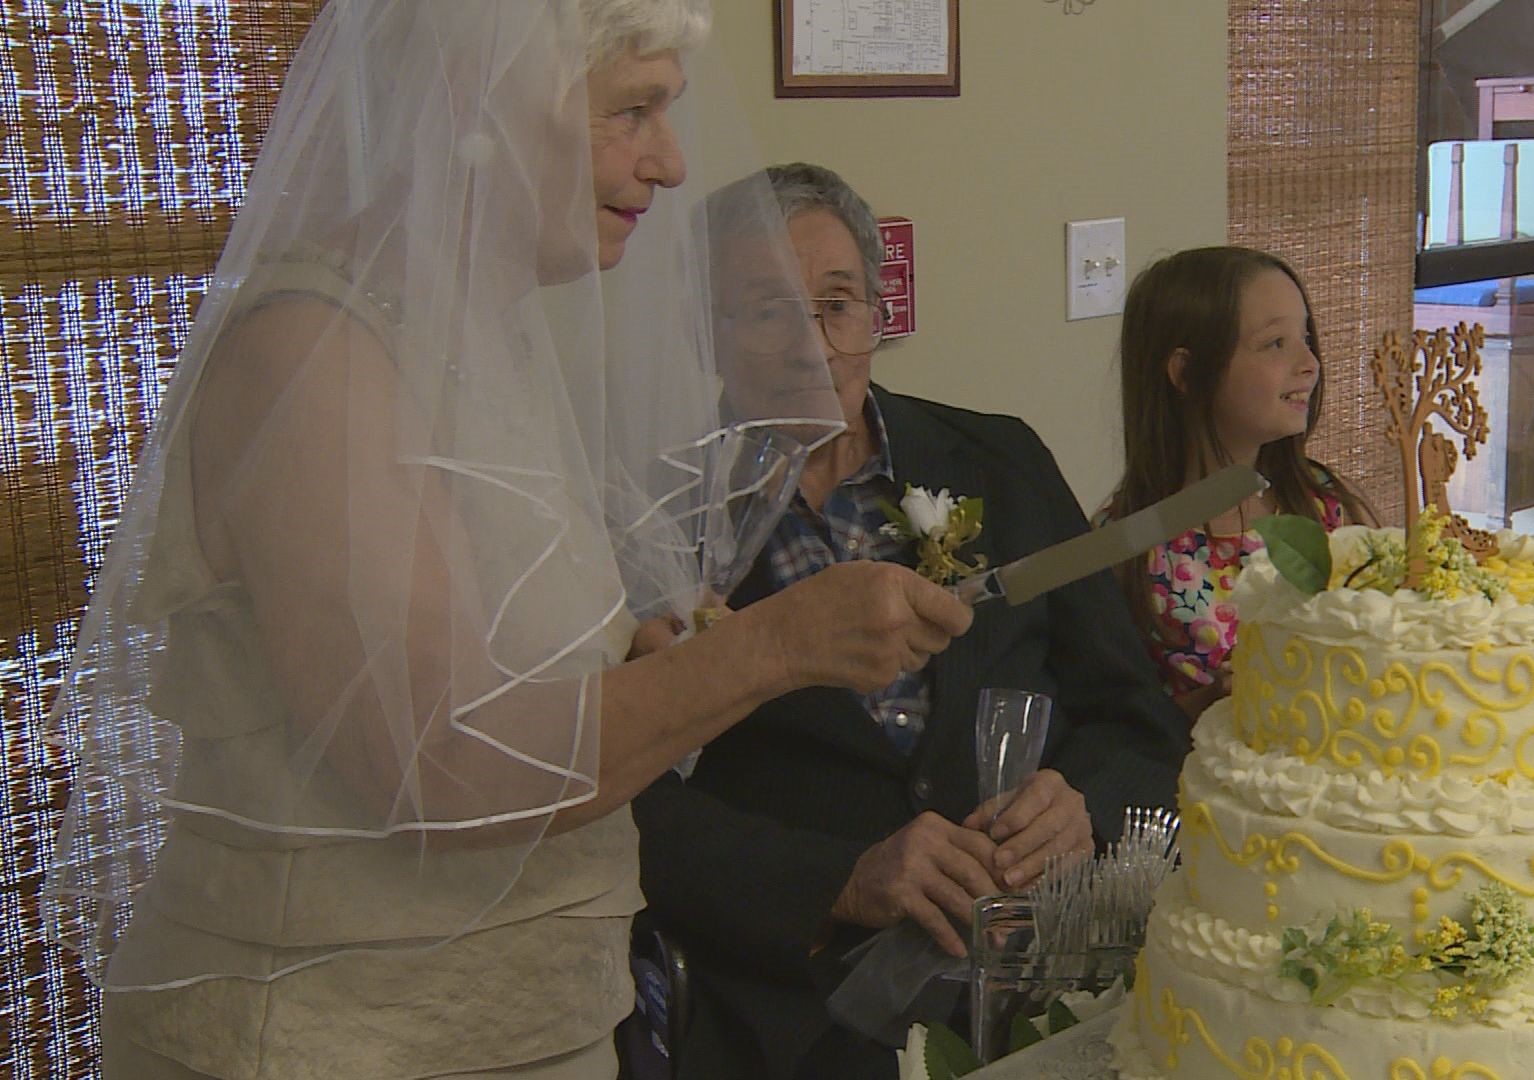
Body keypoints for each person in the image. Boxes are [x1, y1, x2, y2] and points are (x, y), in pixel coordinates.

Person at [44, 6, 971, 1079]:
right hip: (332, 1039)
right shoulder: (311, 357)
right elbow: (442, 762)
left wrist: (631, 657)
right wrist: (769, 647)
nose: (670, 163)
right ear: (470, 98)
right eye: (633, 110)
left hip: (527, 1024)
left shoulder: (483, 335)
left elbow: (496, 655)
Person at [628, 163, 1189, 1080]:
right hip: (800, 1014)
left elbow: (1141, 721)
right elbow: (628, 807)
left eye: (838, 303)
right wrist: (840, 881)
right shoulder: (658, 519)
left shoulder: (998, 460)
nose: (813, 344)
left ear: (878, 318)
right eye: (769, 309)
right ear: (707, 334)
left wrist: (1081, 804)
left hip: (1058, 983)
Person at [1103, 246, 1377, 719]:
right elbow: (1116, 733)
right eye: (1275, 344)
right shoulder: (1123, 554)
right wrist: (1213, 704)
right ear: (1186, 372)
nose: (1309, 362)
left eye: (1305, 336)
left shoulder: (1330, 510)